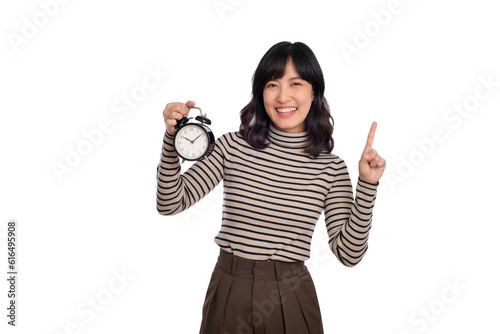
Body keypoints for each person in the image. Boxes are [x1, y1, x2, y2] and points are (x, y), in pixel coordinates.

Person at [156, 41, 386, 334]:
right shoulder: (232, 146)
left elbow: (349, 254)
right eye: (272, 84)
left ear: (313, 91)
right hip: (229, 289)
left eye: (296, 83)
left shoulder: (331, 168)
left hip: (290, 297)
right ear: (260, 92)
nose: (283, 96)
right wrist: (172, 138)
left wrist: (367, 185)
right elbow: (170, 203)